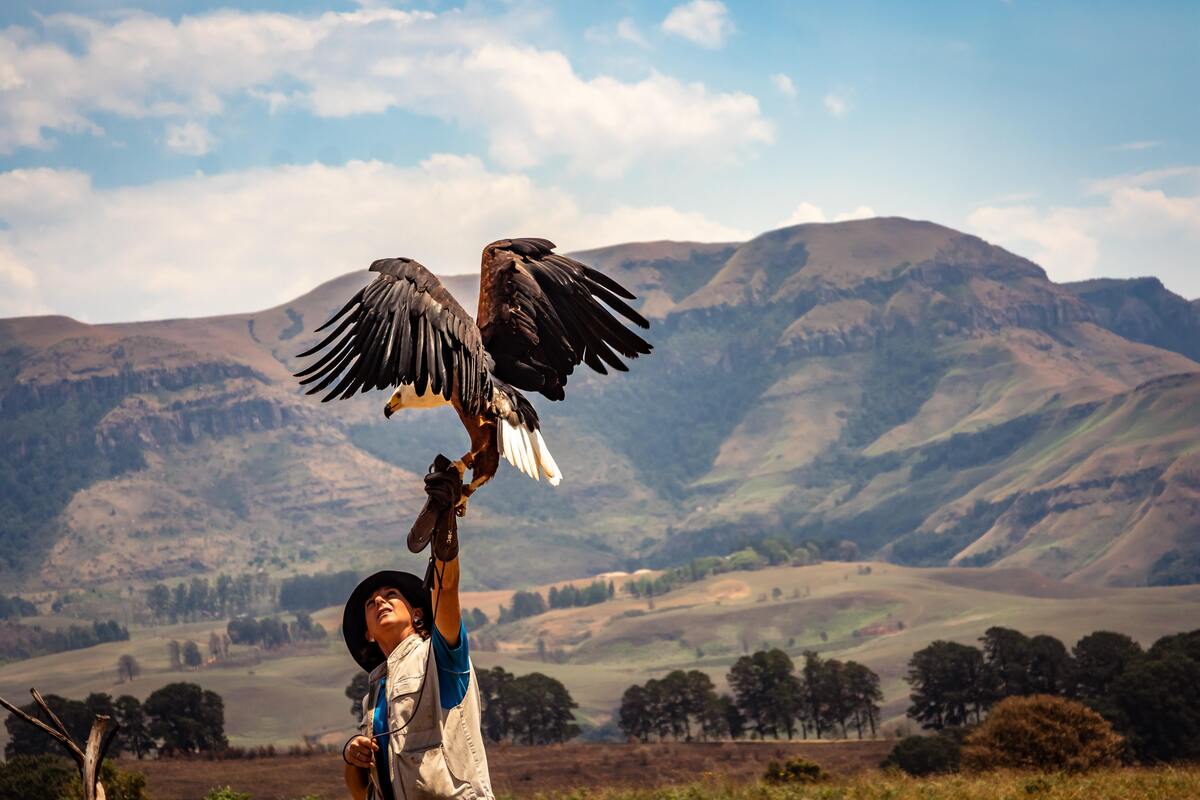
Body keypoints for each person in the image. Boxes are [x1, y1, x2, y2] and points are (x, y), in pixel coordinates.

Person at [340, 552, 494, 800]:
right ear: (368, 633)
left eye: (391, 594)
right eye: (371, 603)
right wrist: (351, 754)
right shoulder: (372, 698)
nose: (379, 600)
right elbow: (362, 792)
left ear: (417, 614)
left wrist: (445, 546)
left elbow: (446, 590)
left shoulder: (438, 657)